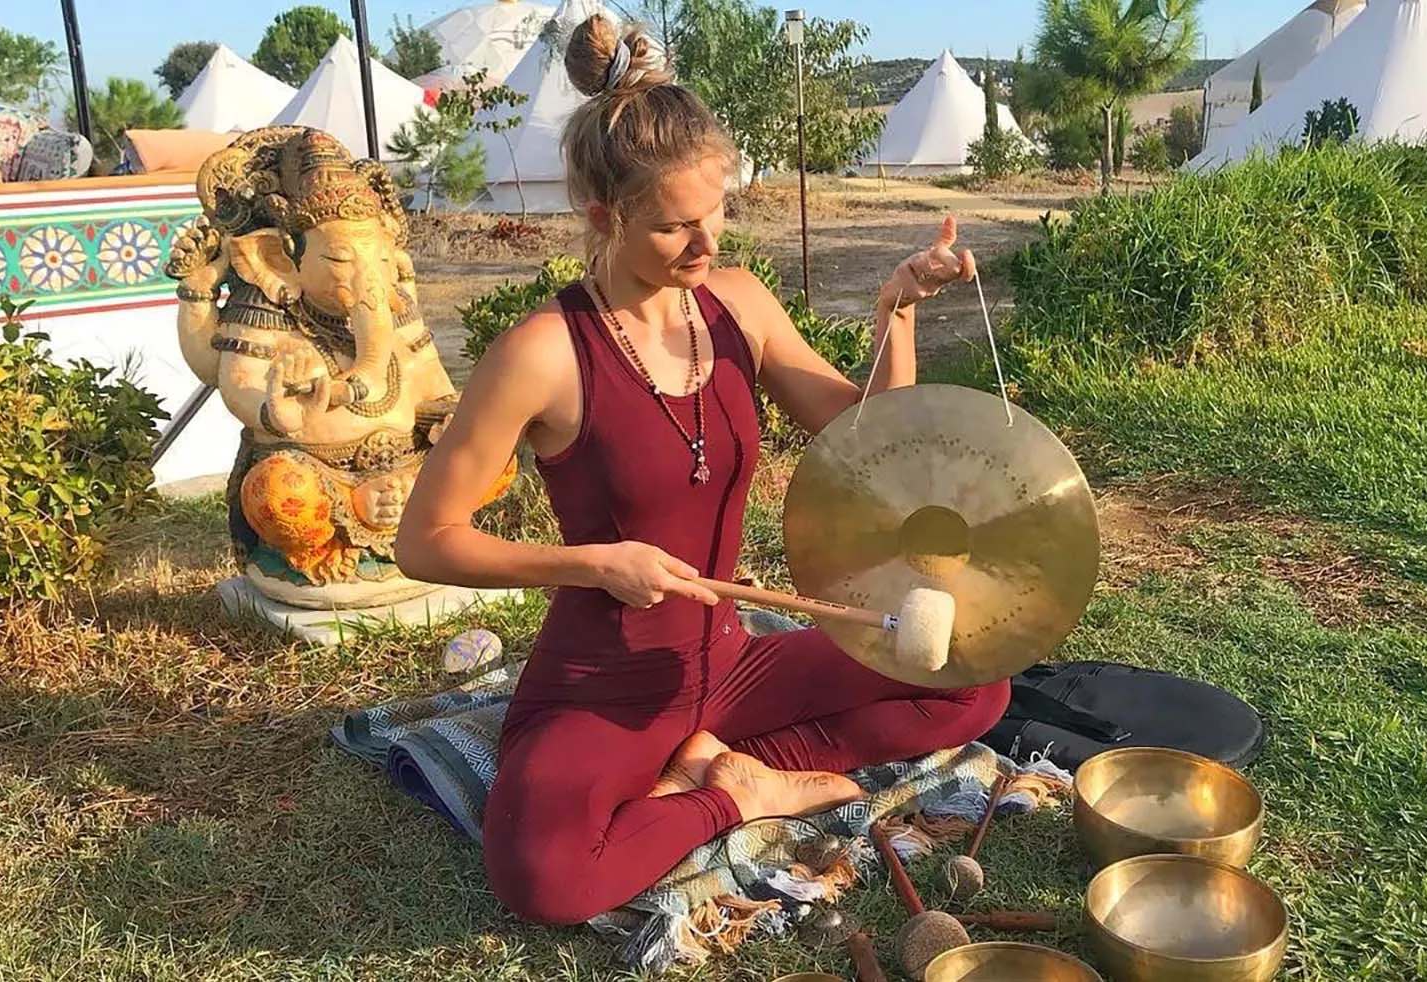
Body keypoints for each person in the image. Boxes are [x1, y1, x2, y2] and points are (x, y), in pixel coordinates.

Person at [394, 14, 1010, 927]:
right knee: (542, 879)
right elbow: (425, 542)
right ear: (604, 219)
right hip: (606, 683)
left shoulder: (735, 303)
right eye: (675, 227)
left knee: (973, 680)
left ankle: (734, 758)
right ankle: (736, 795)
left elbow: (866, 435)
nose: (706, 244)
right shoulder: (543, 353)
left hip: (728, 663)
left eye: (716, 212)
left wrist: (900, 310)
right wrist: (594, 564)